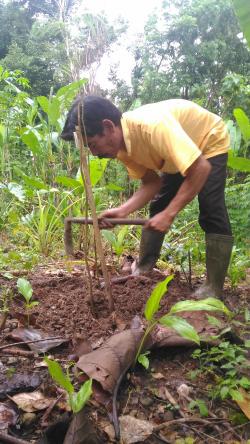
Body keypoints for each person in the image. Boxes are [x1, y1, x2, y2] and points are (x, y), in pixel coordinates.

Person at [61, 95, 233, 299]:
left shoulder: (154, 128)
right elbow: (152, 183)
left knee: (211, 209)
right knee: (159, 205)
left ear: (108, 127)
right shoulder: (122, 148)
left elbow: (201, 168)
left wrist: (170, 214)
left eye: (93, 144)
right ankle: (143, 269)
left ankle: (213, 288)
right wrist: (122, 211)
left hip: (207, 141)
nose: (94, 153)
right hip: (174, 154)